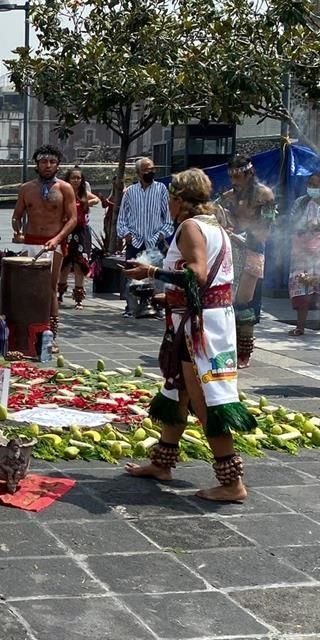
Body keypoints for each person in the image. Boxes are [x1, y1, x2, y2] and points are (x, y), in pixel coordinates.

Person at [123, 168, 255, 502]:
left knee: (205, 398)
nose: (167, 203)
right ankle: (162, 463)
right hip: (207, 319)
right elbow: (210, 281)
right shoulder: (214, 226)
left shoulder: (190, 227)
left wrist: (151, 271)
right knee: (178, 391)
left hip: (201, 329)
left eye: (170, 197)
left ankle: (231, 482)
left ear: (179, 200)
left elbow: (196, 274)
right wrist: (170, 296)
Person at [11, 144, 77, 347]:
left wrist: (57, 239)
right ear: (37, 165)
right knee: (27, 288)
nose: (47, 165)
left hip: (52, 244)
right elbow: (17, 216)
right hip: (31, 242)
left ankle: (50, 335)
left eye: (52, 162)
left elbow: (72, 219)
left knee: (50, 288)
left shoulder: (65, 188)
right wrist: (18, 231)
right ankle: (26, 331)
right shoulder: (26, 189)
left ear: (57, 165)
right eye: (43, 162)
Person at [216, 154, 276, 368]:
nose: (234, 180)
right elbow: (215, 215)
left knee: (243, 302)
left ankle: (244, 353)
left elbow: (265, 230)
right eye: (232, 176)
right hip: (231, 250)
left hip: (253, 248)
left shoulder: (264, 195)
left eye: (238, 175)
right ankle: (229, 348)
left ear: (249, 173)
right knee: (227, 300)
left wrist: (244, 236)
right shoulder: (228, 196)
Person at [116, 157, 173, 318]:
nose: (151, 172)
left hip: (155, 240)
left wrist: (162, 234)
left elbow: (168, 217)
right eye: (147, 169)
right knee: (132, 274)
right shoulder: (130, 192)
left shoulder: (161, 189)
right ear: (139, 172)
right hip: (135, 240)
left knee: (157, 274)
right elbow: (122, 217)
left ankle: (158, 306)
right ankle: (131, 307)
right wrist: (125, 234)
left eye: (152, 169)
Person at [58, 167, 100, 309]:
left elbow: (97, 199)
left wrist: (85, 203)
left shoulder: (83, 193)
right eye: (73, 178)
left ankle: (78, 298)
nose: (76, 180)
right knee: (64, 263)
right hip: (66, 231)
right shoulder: (63, 192)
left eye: (78, 178)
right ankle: (60, 294)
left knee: (80, 264)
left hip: (81, 232)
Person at [287, 171, 320, 336]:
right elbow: (291, 224)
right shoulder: (301, 203)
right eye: (310, 185)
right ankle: (300, 326)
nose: (312, 188)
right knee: (302, 288)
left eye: (316, 185)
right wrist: (305, 227)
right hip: (302, 254)